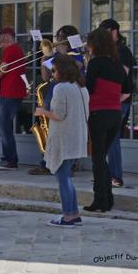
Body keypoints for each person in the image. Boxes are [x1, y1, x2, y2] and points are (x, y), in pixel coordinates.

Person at [34, 55, 89, 227]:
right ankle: (74, 214)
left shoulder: (61, 88)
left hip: (64, 138)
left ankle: (68, 216)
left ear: (62, 70)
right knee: (66, 177)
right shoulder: (81, 87)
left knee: (63, 178)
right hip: (77, 136)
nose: (52, 74)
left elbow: (58, 115)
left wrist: (42, 111)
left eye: (54, 70)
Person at [84, 28, 130, 212]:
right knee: (102, 158)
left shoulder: (96, 64)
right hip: (115, 115)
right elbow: (126, 91)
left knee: (98, 159)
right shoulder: (118, 65)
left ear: (94, 45)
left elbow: (88, 89)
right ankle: (108, 199)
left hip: (98, 114)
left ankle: (101, 200)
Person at [30, 25, 85, 175]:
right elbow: (45, 77)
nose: (58, 40)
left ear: (69, 39)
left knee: (67, 130)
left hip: (69, 95)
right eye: (57, 37)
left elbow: (78, 68)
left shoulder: (77, 54)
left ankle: (68, 165)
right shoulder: (57, 56)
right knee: (49, 129)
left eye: (61, 37)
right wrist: (45, 57)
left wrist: (62, 56)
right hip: (53, 92)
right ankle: (47, 162)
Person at [99, 19, 135, 188]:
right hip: (107, 101)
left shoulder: (123, 51)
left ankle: (116, 177)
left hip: (120, 100)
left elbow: (122, 74)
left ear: (114, 32)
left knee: (112, 139)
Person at [0, 26, 26, 170]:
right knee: (6, 127)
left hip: (9, 93)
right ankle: (11, 159)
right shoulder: (15, 50)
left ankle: (9, 160)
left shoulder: (11, 50)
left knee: (4, 128)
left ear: (5, 37)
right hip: (12, 92)